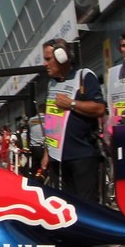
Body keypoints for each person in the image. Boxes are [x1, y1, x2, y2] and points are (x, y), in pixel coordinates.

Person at [40, 38, 106, 203]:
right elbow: (51, 119)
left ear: (61, 57)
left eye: (48, 59)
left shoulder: (84, 77)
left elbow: (99, 108)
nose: (45, 64)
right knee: (64, 206)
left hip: (81, 157)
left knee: (87, 206)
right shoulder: (51, 84)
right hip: (57, 159)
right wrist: (47, 152)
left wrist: (72, 103)